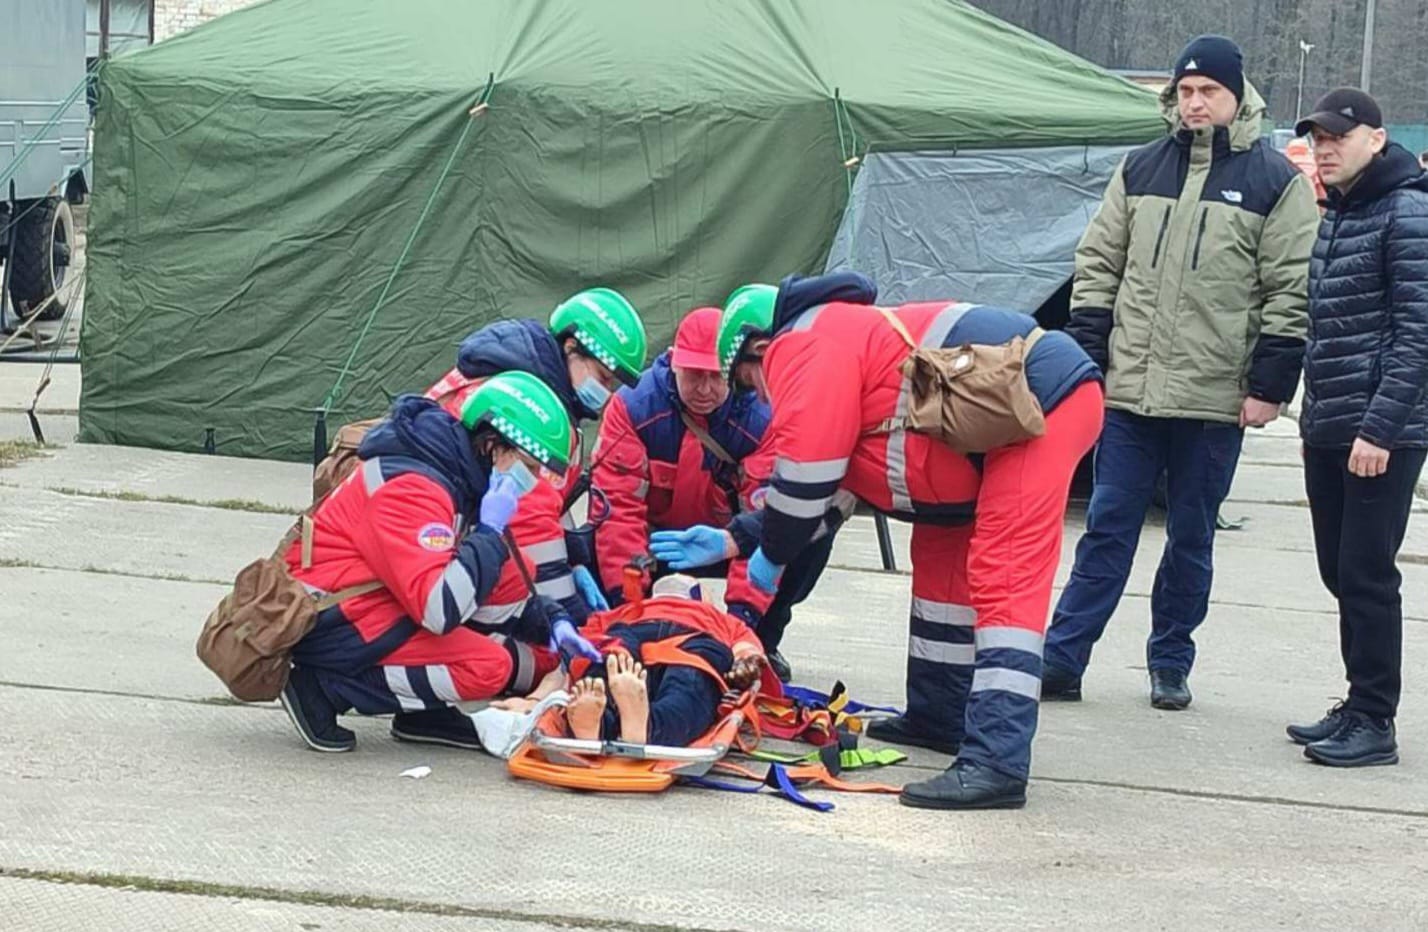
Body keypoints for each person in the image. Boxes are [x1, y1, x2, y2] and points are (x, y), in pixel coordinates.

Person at [663, 272, 1103, 809]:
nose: (762, 399)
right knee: (942, 572)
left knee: (1004, 573)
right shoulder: (843, 344)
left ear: (757, 350)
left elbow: (804, 484)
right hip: (990, 433)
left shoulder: (804, 344)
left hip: (1037, 407)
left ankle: (997, 760)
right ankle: (939, 716)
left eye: (750, 383)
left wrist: (771, 557)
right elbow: (830, 497)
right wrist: (738, 540)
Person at [1042, 35, 1319, 710]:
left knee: (1191, 536)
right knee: (1107, 528)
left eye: (1209, 92)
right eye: (1186, 91)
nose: (1195, 103)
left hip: (1215, 398)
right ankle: (1062, 658)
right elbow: (1098, 265)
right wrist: (1091, 360)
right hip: (1130, 394)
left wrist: (1269, 388)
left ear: (1236, 96)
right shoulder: (1139, 168)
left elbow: (1290, 289)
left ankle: (1170, 662)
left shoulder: (1273, 182)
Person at [278, 372, 602, 753]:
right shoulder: (414, 487)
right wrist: (490, 531)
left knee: (516, 573)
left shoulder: (455, 472)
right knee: (487, 667)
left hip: (374, 602)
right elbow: (439, 609)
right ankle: (321, 688)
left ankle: (425, 709)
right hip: (331, 620)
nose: (535, 481)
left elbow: (485, 580)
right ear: (495, 448)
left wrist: (554, 624)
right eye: (530, 467)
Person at [1289, 89, 1428, 767]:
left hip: (1380, 432)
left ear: (1377, 138)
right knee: (1339, 570)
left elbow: (1418, 335)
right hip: (1330, 423)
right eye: (1317, 139)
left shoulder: (1407, 210)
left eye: (1338, 136)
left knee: (1367, 574)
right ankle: (1356, 700)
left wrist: (1378, 429)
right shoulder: (1343, 212)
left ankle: (1376, 719)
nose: (1325, 148)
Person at [590, 306, 831, 682]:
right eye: (693, 375)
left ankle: (762, 639)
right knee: (591, 532)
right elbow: (618, 510)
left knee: (806, 536)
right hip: (658, 545)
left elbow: (766, 522)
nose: (704, 389)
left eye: (716, 376)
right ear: (673, 363)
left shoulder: (762, 419)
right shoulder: (632, 407)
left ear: (734, 369)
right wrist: (628, 604)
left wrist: (739, 624)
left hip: (728, 542)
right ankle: (617, 627)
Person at [419, 288, 649, 636]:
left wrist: (575, 561)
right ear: (572, 347)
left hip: (435, 543)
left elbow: (546, 505)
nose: (606, 392)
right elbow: (530, 522)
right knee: (521, 658)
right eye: (603, 377)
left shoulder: (508, 376)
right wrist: (570, 616)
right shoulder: (534, 413)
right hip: (434, 557)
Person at [562, 574, 768, 747]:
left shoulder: (623, 611)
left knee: (609, 662)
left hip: (632, 635)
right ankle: (650, 726)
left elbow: (583, 643)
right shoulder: (720, 618)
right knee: (687, 690)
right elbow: (748, 651)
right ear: (701, 598)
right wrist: (744, 668)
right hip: (693, 643)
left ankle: (599, 725)